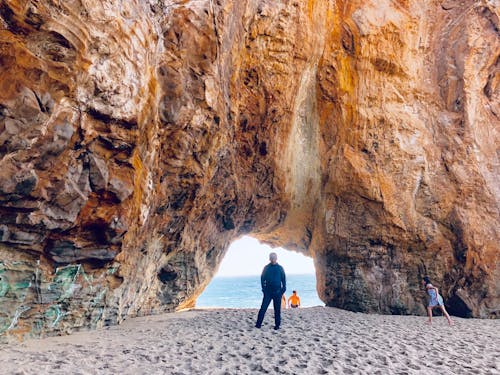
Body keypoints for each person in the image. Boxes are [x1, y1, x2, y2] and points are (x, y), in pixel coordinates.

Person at [255, 252, 286, 330]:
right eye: (271, 258)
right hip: (268, 292)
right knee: (263, 308)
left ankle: (277, 325)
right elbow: (262, 278)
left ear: (276, 258)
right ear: (269, 258)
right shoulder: (266, 268)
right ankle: (258, 324)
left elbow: (283, 279)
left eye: (274, 257)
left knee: (277, 310)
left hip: (277, 292)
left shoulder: (280, 268)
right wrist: (263, 289)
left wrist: (283, 289)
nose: (273, 259)